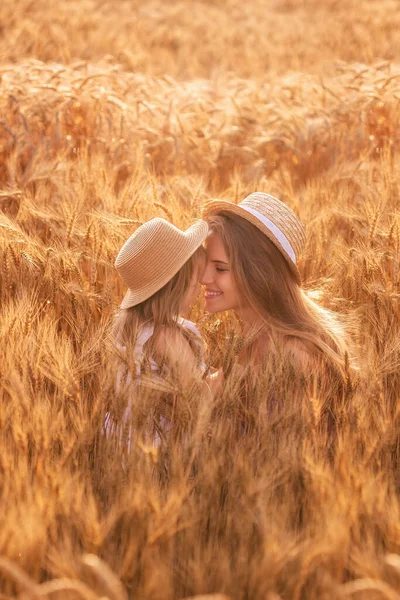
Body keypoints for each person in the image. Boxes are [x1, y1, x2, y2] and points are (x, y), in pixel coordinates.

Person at [201, 192, 355, 435]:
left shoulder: (294, 356)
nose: (204, 278)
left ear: (258, 272)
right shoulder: (251, 338)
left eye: (220, 268)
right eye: (206, 263)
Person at [105, 217, 210, 451]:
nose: (200, 288)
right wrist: (221, 380)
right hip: (158, 449)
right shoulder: (167, 337)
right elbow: (193, 399)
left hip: (124, 442)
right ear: (177, 288)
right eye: (195, 283)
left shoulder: (130, 328)